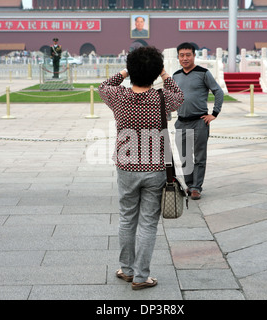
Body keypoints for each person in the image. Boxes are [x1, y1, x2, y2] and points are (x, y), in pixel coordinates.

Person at [98, 46, 184, 290]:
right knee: (148, 223)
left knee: (127, 218)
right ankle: (141, 276)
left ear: (132, 70)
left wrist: (125, 72)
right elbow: (179, 95)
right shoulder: (162, 98)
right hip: (156, 168)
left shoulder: (118, 96)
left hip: (126, 167)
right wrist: (165, 74)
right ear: (155, 72)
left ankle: (126, 269)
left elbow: (103, 86)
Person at [173, 42, 224, 200]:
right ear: (178, 57)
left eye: (188, 55)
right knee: (184, 157)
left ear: (194, 56)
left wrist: (214, 113)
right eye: (182, 55)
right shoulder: (176, 76)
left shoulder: (203, 73)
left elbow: (218, 92)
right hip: (181, 122)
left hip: (199, 122)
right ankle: (188, 185)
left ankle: (196, 187)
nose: (185, 58)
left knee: (199, 157)